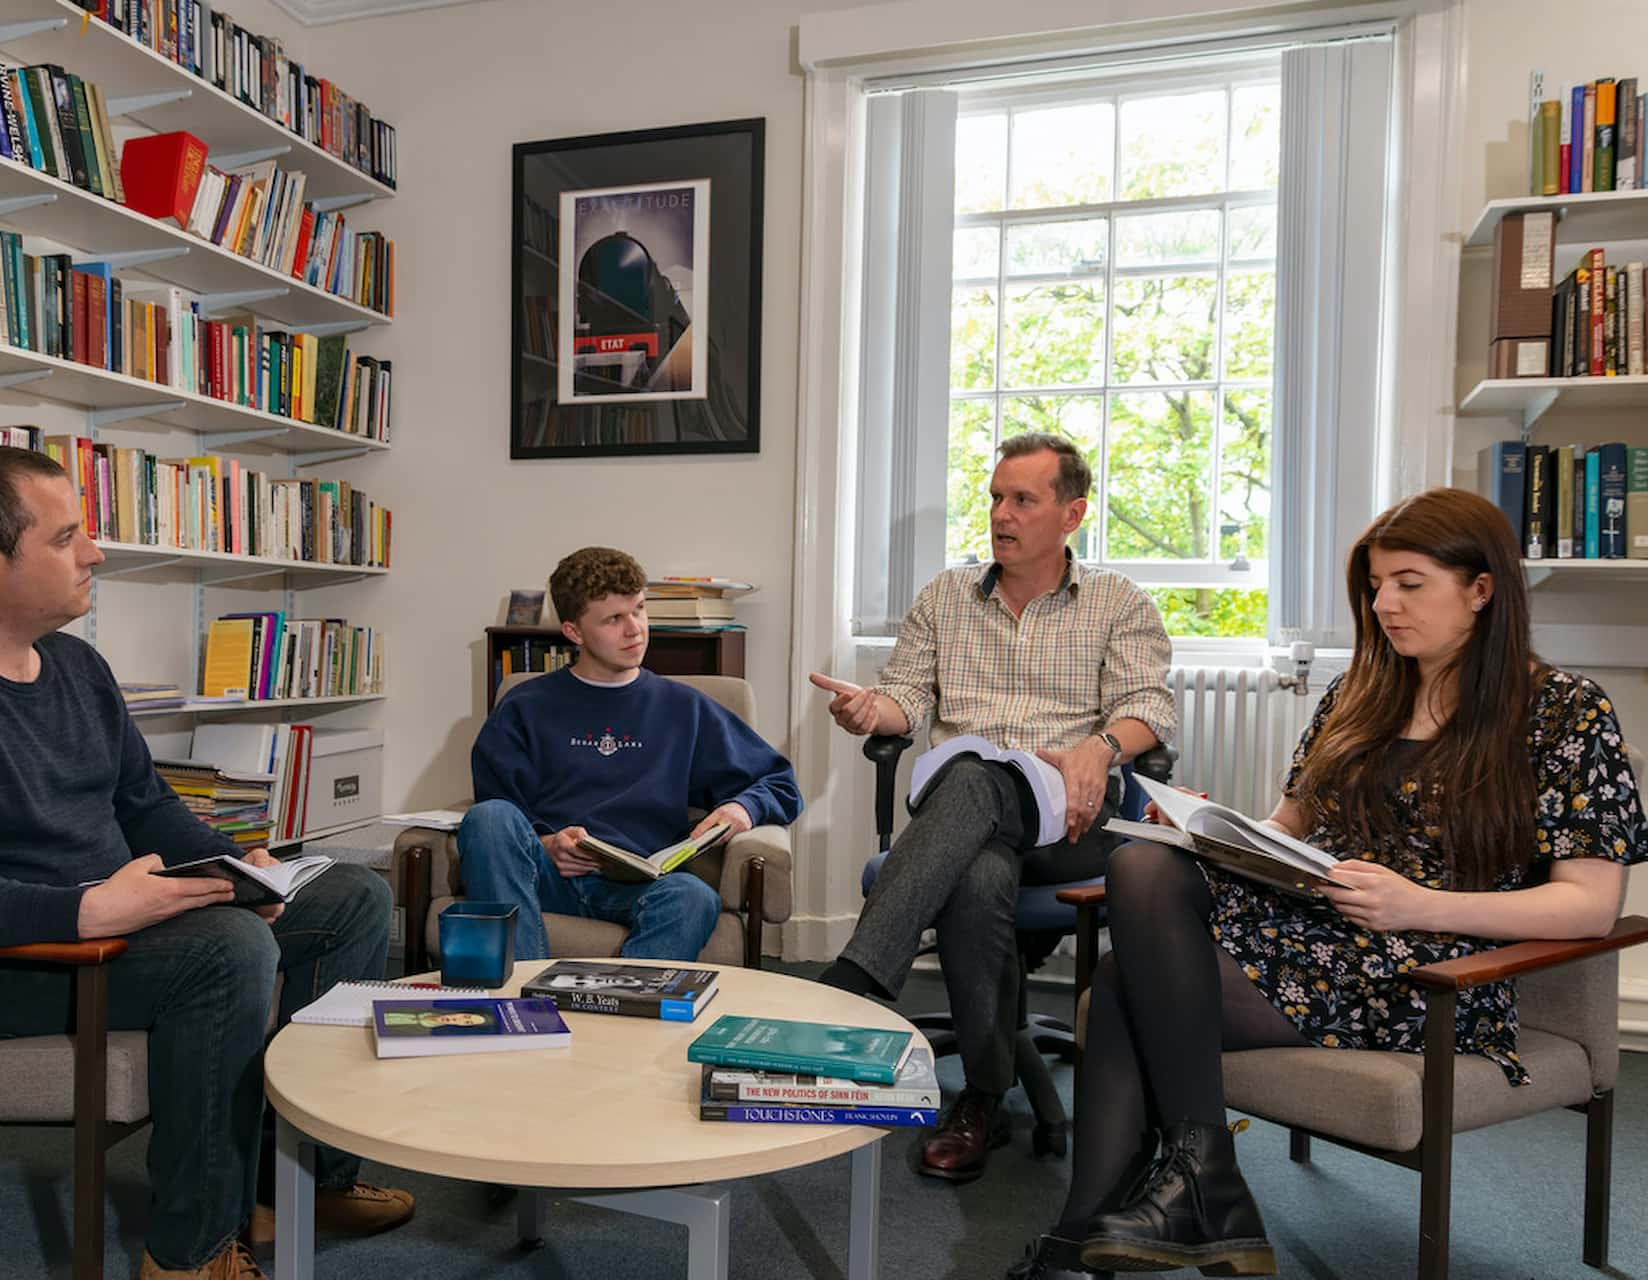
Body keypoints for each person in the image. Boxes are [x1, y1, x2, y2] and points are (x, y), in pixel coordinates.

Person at [0, 446, 415, 1280]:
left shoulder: (77, 667)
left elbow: (143, 805)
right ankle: (189, 1254)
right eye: (67, 537)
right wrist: (89, 910)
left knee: (347, 896)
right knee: (225, 951)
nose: (95, 554)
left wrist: (239, 869)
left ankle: (292, 1178)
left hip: (94, 924)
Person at [1009, 487, 1647, 1280]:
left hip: (1432, 971)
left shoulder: (1564, 712)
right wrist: (1216, 833)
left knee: (1117, 983)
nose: (1384, 605)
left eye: (1410, 584)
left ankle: (1114, 1229)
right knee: (1146, 859)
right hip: (1317, 934)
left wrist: (1417, 904)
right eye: (1376, 586)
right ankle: (1196, 1188)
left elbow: (1591, 904)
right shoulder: (1362, 695)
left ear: (1482, 590)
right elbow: (1287, 831)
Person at [809, 432, 1175, 1182]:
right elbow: (908, 698)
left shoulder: (1118, 601)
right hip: (967, 810)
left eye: (1022, 500)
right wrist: (870, 712)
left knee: (976, 779)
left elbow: (1150, 710)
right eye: (995, 498)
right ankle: (981, 1096)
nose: (1001, 515)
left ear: (1071, 515)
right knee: (976, 848)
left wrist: (1100, 747)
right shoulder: (946, 595)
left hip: (1072, 820)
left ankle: (860, 977)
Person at [457, 546, 802, 961]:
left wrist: (743, 808)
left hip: (640, 883)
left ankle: (624, 1006)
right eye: (613, 619)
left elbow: (780, 782)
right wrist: (546, 843)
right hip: (547, 878)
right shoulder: (524, 707)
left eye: (638, 610)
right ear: (573, 632)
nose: (635, 629)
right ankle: (525, 1006)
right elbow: (500, 811)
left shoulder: (684, 708)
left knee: (692, 896)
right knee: (488, 818)